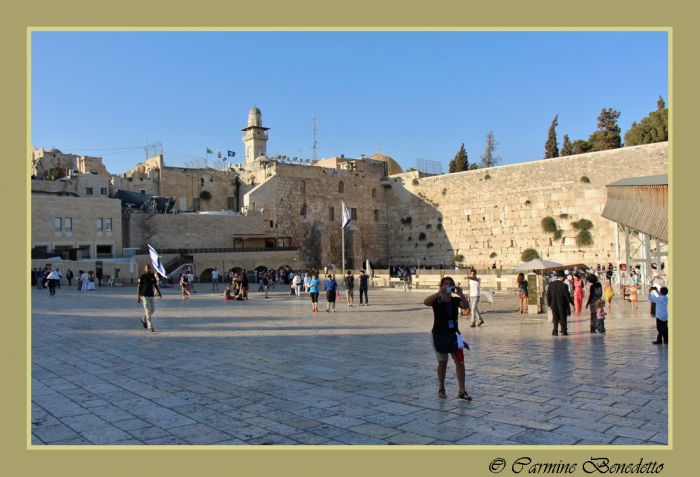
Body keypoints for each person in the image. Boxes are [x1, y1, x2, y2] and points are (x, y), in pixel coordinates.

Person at [423, 276, 472, 401]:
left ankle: (462, 390)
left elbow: (465, 305)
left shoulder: (455, 300)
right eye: (445, 283)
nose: (448, 285)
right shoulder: (437, 299)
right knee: (442, 363)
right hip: (439, 335)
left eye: (450, 284)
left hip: (454, 336)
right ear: (441, 285)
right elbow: (426, 302)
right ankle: (441, 388)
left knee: (459, 362)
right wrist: (439, 292)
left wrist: (461, 293)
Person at [546, 270, 574, 336]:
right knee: (563, 318)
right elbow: (567, 296)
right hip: (562, 305)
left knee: (555, 318)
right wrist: (572, 303)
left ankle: (555, 331)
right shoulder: (564, 286)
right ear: (561, 277)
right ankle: (564, 331)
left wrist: (549, 303)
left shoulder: (551, 284)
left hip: (553, 304)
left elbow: (548, 295)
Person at [137, 264, 162, 332]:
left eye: (149, 268)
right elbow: (139, 286)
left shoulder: (152, 276)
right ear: (144, 269)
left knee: (152, 310)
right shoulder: (142, 276)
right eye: (147, 268)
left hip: (151, 295)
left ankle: (143, 320)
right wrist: (138, 296)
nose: (148, 270)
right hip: (144, 295)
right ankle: (150, 326)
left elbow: (155, 284)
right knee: (148, 310)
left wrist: (159, 292)